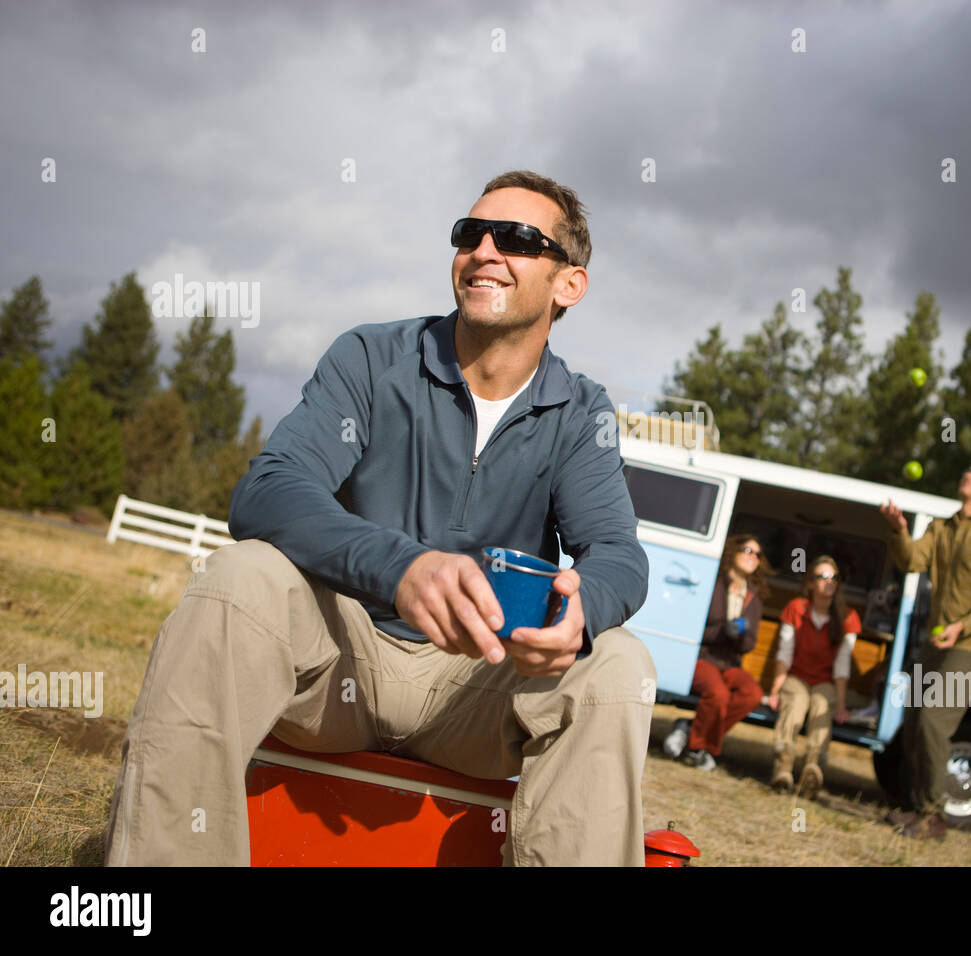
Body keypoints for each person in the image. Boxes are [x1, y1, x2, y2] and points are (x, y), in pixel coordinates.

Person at [104, 170, 655, 867]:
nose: (483, 249)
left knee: (616, 660)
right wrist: (401, 567)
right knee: (238, 578)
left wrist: (579, 619)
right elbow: (269, 490)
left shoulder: (580, 413)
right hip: (342, 667)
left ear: (567, 284)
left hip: (480, 685)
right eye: (469, 233)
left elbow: (616, 552)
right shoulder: (370, 358)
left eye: (515, 238)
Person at [880, 462, 971, 841]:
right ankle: (913, 807)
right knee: (912, 725)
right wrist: (899, 530)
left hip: (969, 646)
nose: (969, 476)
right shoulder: (941, 528)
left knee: (932, 722)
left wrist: (962, 626)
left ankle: (933, 817)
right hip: (934, 644)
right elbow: (911, 560)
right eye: (968, 472)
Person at [768, 556, 875, 797]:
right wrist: (775, 691)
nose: (829, 582)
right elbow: (784, 653)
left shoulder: (848, 617)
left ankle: (812, 770)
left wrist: (841, 705)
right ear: (810, 584)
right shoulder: (797, 608)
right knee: (795, 702)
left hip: (826, 681)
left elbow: (842, 665)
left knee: (822, 705)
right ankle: (782, 768)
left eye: (833, 577)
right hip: (797, 676)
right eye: (822, 576)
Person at [662, 534, 766, 770]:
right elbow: (693, 627)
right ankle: (698, 749)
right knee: (718, 695)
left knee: (752, 694)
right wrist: (722, 631)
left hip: (730, 663)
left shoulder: (754, 597)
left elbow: (750, 644)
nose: (753, 557)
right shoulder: (713, 583)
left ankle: (689, 731)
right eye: (748, 550)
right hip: (703, 657)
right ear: (734, 552)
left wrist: (739, 636)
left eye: (757, 554)